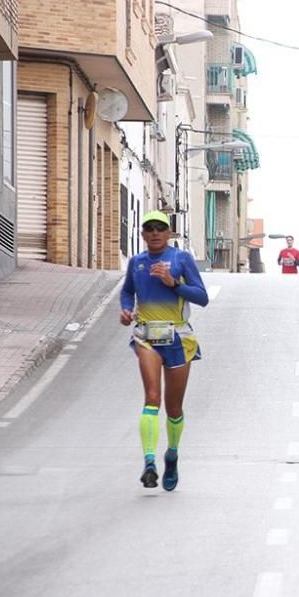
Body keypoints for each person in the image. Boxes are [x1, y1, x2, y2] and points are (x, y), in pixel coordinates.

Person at [119, 210, 210, 491]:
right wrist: (125, 310)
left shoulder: (181, 259)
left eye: (161, 228)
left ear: (169, 233)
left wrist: (174, 284)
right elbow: (127, 291)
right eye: (150, 228)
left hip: (178, 336)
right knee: (152, 398)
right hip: (147, 334)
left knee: (173, 407)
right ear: (143, 234)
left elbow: (202, 297)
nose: (155, 232)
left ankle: (171, 454)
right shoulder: (136, 262)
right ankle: (149, 462)